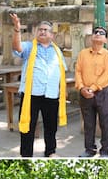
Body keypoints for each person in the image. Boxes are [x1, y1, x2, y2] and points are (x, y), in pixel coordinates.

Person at [10, 14, 68, 157]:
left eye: (46, 30)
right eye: (40, 29)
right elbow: (17, 47)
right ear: (36, 33)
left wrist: (62, 91)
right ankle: (26, 155)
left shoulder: (57, 51)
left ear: (52, 35)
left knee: (51, 126)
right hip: (32, 94)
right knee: (28, 127)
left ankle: (50, 152)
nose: (42, 31)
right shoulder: (30, 47)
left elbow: (61, 72)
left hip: (52, 94)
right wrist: (17, 30)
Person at [74, 26, 108, 157]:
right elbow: (78, 71)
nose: (97, 34)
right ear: (91, 37)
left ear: (105, 40)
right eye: (95, 32)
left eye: (101, 33)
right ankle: (89, 149)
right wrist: (81, 88)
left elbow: (106, 76)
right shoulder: (83, 53)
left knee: (105, 123)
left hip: (102, 92)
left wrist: (92, 88)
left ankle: (105, 151)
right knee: (88, 123)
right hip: (85, 92)